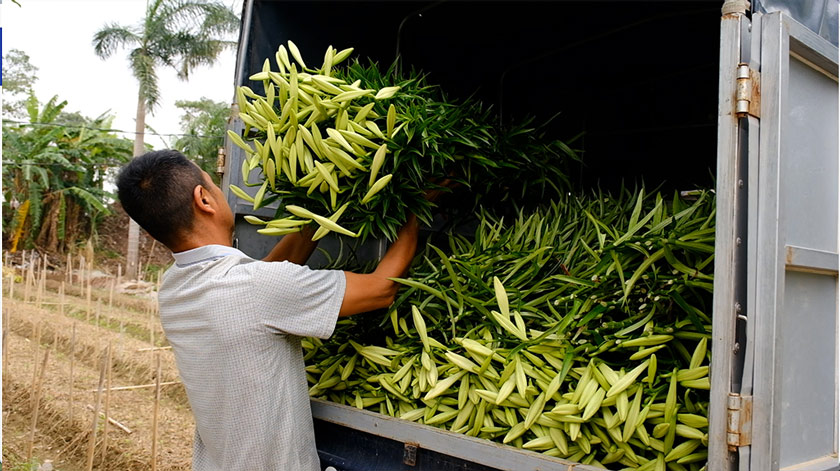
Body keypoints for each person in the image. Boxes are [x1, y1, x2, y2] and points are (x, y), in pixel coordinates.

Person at [116, 149, 420, 471]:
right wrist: (417, 209)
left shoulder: (175, 289)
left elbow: (264, 284)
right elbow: (381, 289)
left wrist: (315, 217)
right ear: (204, 199)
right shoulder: (255, 288)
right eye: (213, 184)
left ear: (151, 232)